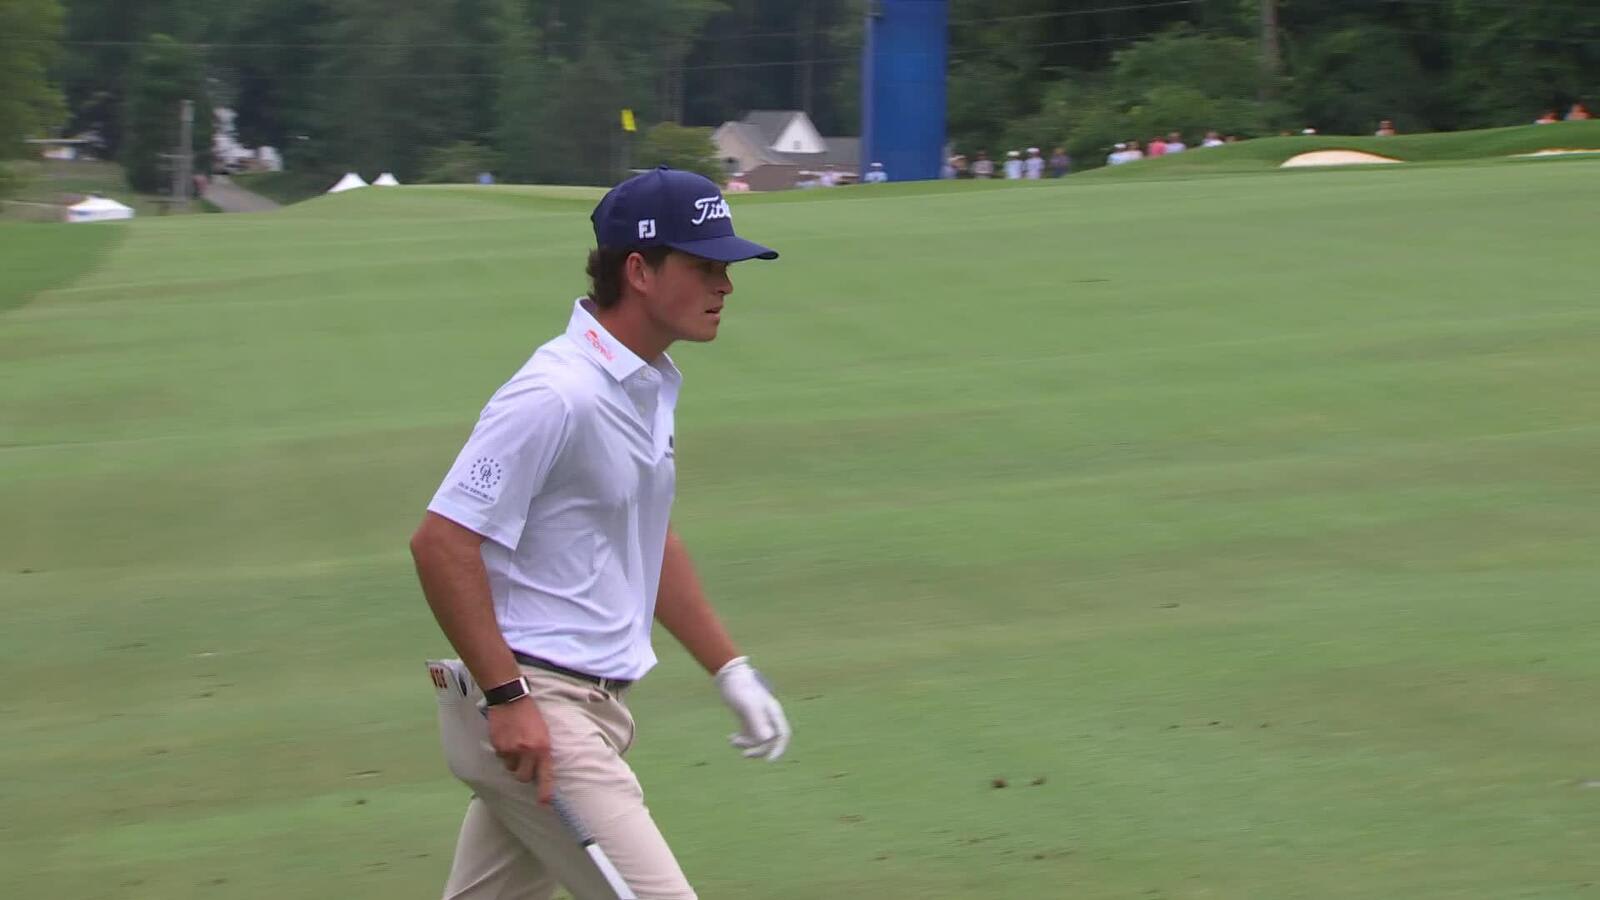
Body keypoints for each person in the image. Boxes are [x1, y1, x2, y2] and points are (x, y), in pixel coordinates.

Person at [410, 166, 792, 900]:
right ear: (640, 271)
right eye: (705, 265)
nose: (727, 284)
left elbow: (647, 535)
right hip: (542, 714)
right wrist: (509, 699)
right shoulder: (557, 394)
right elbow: (441, 541)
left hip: (579, 709)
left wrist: (728, 668)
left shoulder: (647, 382)